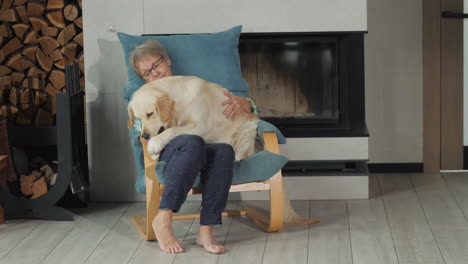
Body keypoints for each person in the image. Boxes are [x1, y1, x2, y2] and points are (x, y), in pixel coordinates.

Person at [129, 40, 255, 254]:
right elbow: (142, 136)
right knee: (193, 140)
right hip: (163, 152)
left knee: (224, 150)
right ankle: (163, 217)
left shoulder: (190, 88)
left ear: (167, 60)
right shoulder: (141, 99)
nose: (155, 74)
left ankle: (206, 230)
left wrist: (247, 104)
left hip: (199, 148)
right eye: (147, 73)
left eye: (156, 65)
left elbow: (220, 110)